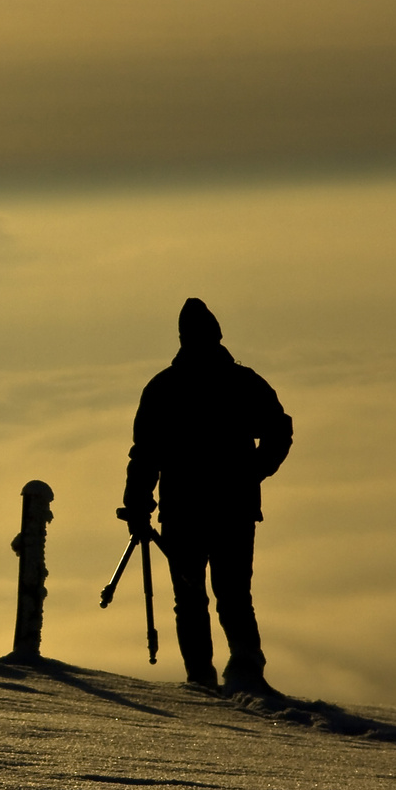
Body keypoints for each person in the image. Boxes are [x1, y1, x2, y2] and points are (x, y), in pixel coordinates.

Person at [122, 298, 293, 697]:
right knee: (230, 595)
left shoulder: (165, 387)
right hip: (226, 508)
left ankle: (204, 679)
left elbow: (145, 454)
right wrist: (254, 471)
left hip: (187, 510)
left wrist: (138, 504)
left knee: (194, 598)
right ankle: (239, 673)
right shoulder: (241, 383)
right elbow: (279, 431)